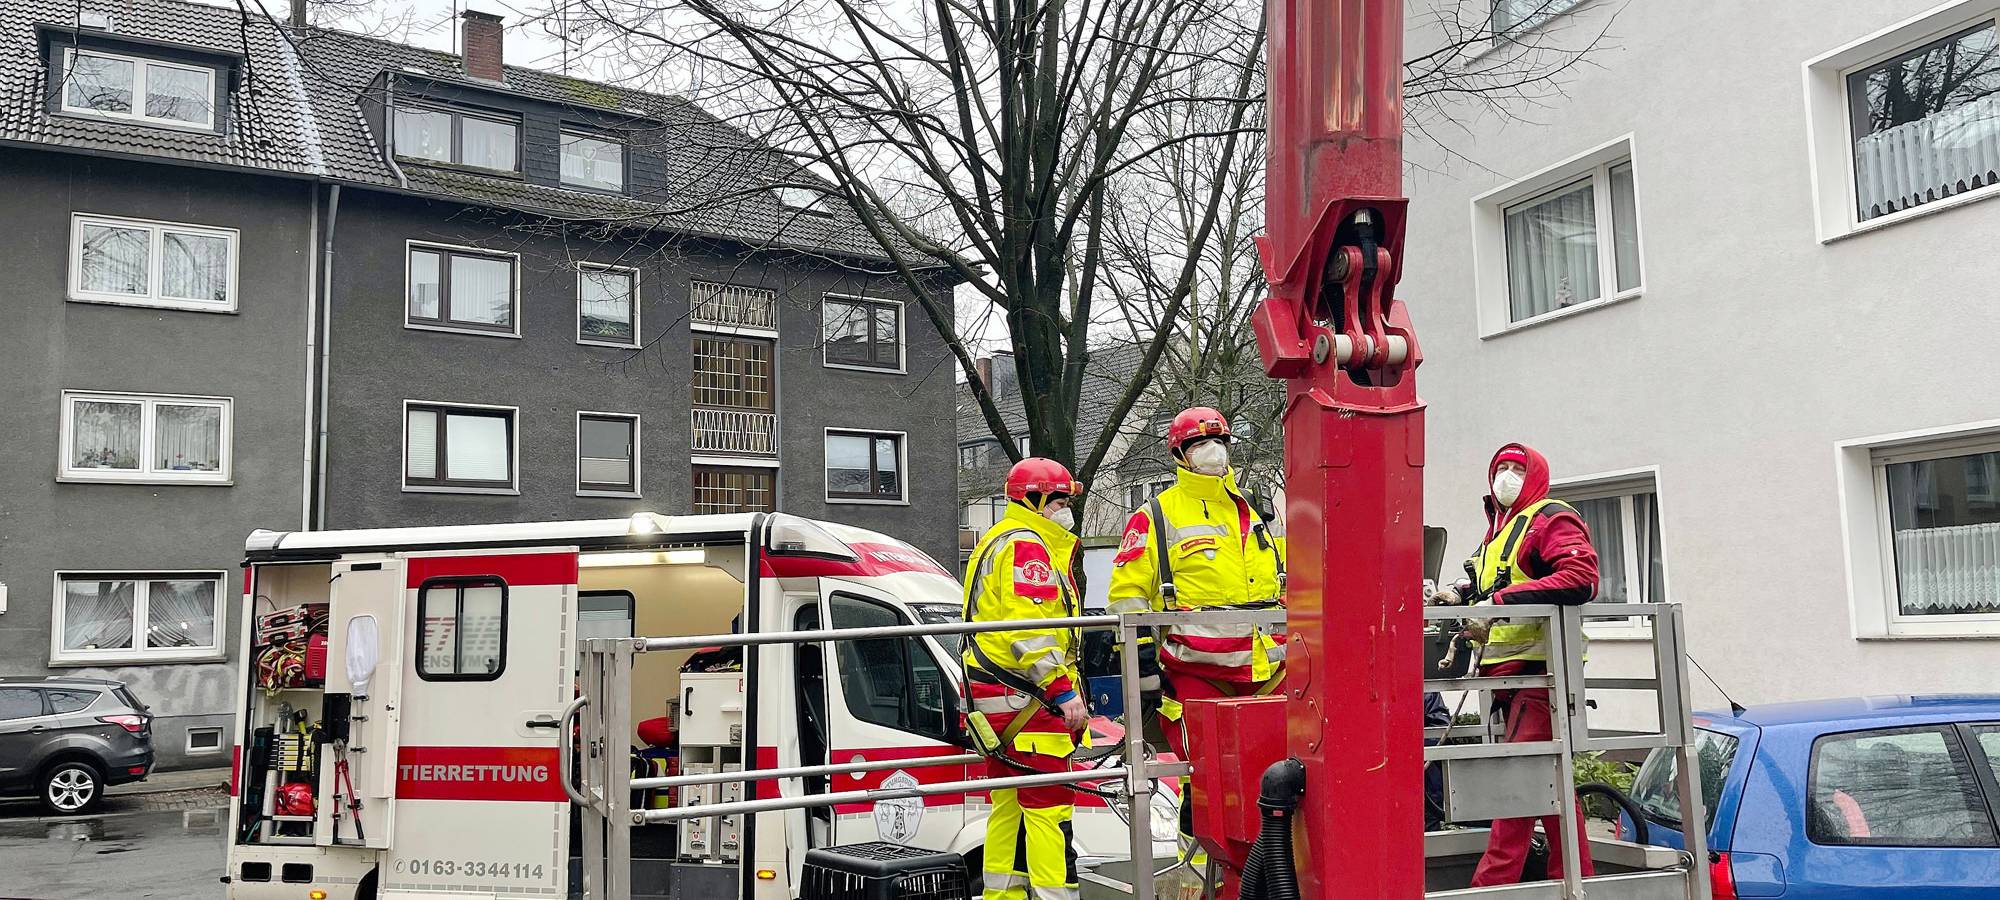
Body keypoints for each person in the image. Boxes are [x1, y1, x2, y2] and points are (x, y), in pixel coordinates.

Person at [1106, 407, 1286, 849]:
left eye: (1220, 441)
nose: (1213, 451)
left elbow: (1295, 578)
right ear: (1180, 454)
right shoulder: (1154, 515)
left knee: (1279, 781)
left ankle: (1269, 874)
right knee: (1206, 786)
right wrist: (1144, 673)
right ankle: (1209, 875)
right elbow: (1127, 599)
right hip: (1198, 673)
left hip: (1271, 671)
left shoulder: (1259, 511)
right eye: (1200, 443)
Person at [1432, 442, 1598, 885]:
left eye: (1516, 468)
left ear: (1536, 475)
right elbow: (1490, 582)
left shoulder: (1549, 517)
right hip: (1509, 675)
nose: (1506, 475)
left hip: (1539, 673)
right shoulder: (1501, 529)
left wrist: (1499, 603)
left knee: (1520, 785)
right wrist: (1461, 596)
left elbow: (1580, 578)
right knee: (1548, 787)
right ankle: (1577, 877)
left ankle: (1490, 888)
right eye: (1500, 467)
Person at [963, 457, 1090, 900]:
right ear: (1035, 499)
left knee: (1008, 809)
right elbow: (1029, 627)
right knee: (1049, 810)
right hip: (1029, 700)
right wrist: (1062, 688)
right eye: (1058, 500)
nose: (1063, 510)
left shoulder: (996, 540)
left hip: (999, 700)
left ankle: (1002, 896)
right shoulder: (1027, 546)